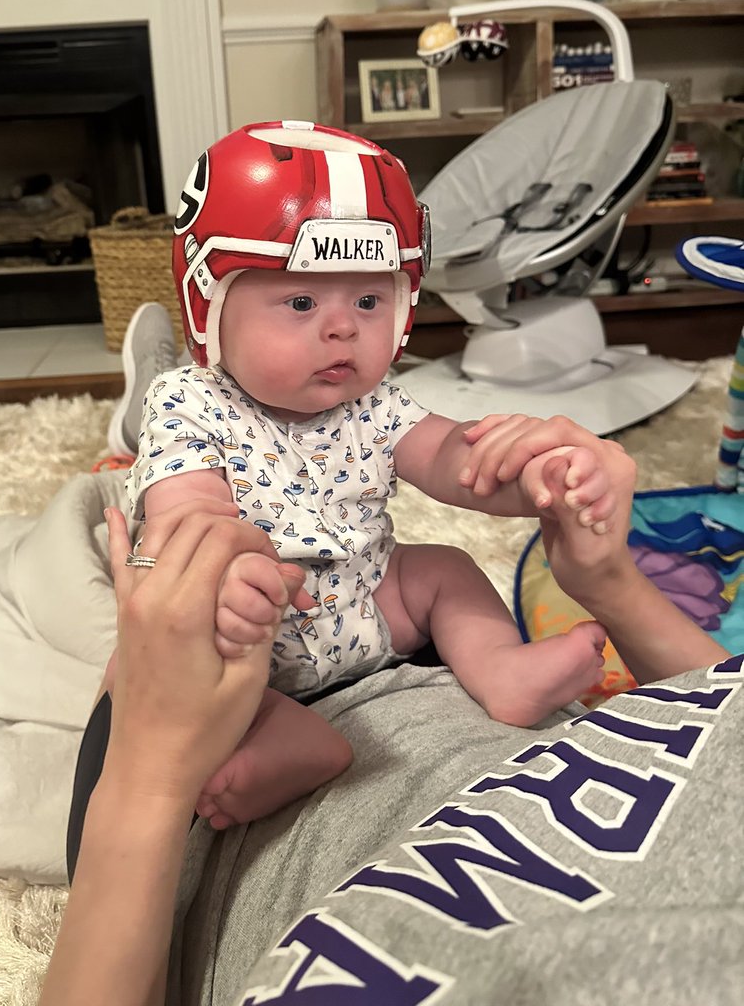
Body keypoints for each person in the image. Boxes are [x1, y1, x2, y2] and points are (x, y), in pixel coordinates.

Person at [43, 449, 735, 1006]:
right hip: (448, 678)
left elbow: (425, 448)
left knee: (166, 619)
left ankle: (140, 453)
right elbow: (724, 714)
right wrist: (607, 579)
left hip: (202, 784)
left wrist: (151, 775)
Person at [123, 120, 628, 832]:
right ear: (211, 304)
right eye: (301, 303)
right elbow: (188, 515)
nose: (344, 330)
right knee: (158, 665)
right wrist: (228, 573)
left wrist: (537, 474)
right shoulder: (187, 401)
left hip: (367, 608)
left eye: (368, 301)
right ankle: (286, 740)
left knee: (443, 569)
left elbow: (455, 462)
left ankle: (500, 669)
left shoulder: (375, 401)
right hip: (254, 631)